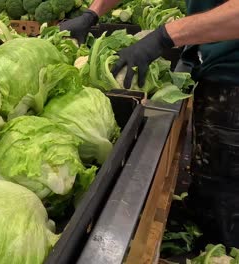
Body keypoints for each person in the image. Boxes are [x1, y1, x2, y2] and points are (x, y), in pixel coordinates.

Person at [61, 0, 239, 247]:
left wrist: (164, 37)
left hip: (234, 79)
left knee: (229, 206)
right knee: (211, 180)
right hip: (213, 64)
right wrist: (93, 11)